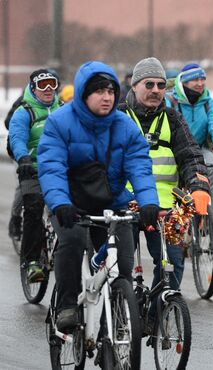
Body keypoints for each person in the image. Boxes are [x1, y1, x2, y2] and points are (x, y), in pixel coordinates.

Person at [37, 61, 160, 330]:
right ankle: (68, 304)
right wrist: (60, 203)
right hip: (70, 204)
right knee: (71, 241)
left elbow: (139, 164)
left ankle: (113, 321)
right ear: (83, 94)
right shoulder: (60, 122)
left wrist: (149, 200)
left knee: (123, 265)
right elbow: (51, 166)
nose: (107, 98)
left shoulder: (124, 125)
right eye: (99, 92)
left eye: (111, 91)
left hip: (111, 202)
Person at [118, 57, 210, 331]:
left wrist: (199, 187)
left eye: (161, 85)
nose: (156, 90)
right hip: (126, 206)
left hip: (165, 208)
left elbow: (191, 156)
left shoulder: (172, 118)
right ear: (134, 86)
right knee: (118, 266)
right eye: (149, 84)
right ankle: (117, 310)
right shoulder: (119, 117)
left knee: (172, 263)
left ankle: (157, 310)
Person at [9, 69, 61, 282]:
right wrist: (23, 158)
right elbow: (17, 137)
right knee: (33, 207)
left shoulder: (63, 110)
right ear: (33, 88)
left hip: (59, 168)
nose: (48, 89)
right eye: (43, 85)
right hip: (33, 168)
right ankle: (31, 261)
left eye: (52, 84)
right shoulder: (24, 112)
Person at [167, 62, 213, 211]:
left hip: (198, 149)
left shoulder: (209, 103)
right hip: (173, 149)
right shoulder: (170, 102)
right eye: (195, 80)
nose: (200, 83)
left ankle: (207, 212)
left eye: (202, 79)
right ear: (184, 82)